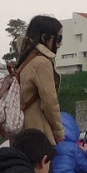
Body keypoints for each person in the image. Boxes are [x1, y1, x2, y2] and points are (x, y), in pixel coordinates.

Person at [14, 15, 65, 144]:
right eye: (58, 38)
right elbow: (50, 103)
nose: (60, 44)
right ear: (44, 38)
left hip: (21, 132)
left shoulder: (24, 60)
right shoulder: (42, 63)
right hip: (39, 133)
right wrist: (59, 132)